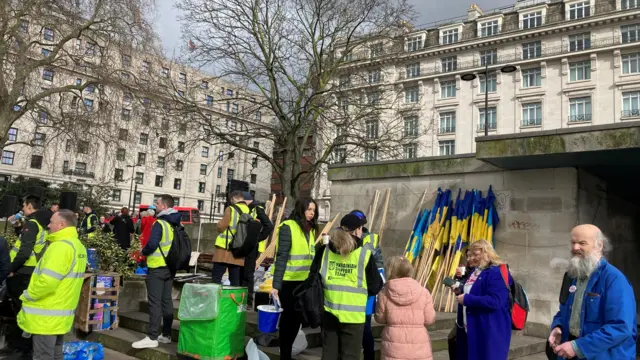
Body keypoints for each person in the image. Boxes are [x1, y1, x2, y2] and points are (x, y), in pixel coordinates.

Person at [548, 224, 637, 360]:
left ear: (599, 245)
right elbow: (564, 311)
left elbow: (621, 327)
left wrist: (578, 347)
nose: (575, 247)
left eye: (582, 243)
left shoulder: (614, 279)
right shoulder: (571, 275)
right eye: (573, 242)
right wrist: (557, 326)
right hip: (571, 351)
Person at [17, 209, 87, 360]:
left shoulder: (59, 247)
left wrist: (27, 295)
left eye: (51, 222)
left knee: (43, 356)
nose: (48, 225)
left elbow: (47, 282)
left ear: (61, 225)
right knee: (55, 354)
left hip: (45, 315)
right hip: (60, 314)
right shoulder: (77, 246)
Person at [313, 213, 382, 360]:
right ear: (357, 230)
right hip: (353, 316)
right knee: (350, 356)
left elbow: (313, 278)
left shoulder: (325, 250)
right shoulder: (364, 254)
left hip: (329, 312)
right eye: (361, 229)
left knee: (329, 356)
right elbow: (375, 286)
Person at [270, 198, 319, 360]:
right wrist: (275, 285)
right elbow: (282, 257)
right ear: (301, 209)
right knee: (288, 321)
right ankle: (285, 353)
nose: (312, 213)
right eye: (309, 209)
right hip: (289, 283)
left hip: (304, 283)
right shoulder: (288, 227)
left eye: (313, 210)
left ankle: (287, 352)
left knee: (297, 321)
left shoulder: (310, 229)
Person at [6, 196, 52, 358]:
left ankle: (21, 349)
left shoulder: (32, 224)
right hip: (31, 270)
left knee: (20, 311)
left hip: (22, 271)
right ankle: (20, 347)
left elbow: (24, 251)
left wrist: (11, 268)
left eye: (24, 206)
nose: (23, 208)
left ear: (30, 206)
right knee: (22, 310)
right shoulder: (41, 223)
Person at [133, 195, 180, 349]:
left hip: (157, 267)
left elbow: (152, 244)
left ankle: (152, 336)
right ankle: (166, 334)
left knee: (154, 302)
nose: (156, 205)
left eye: (158, 203)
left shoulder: (160, 223)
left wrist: (142, 252)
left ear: (164, 206)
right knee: (166, 300)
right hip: (169, 267)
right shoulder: (175, 223)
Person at [454, 240, 512, 360]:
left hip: (488, 330)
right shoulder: (476, 271)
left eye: (475, 254)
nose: (471, 258)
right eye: (470, 255)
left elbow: (496, 301)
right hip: (470, 328)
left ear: (486, 253)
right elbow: (474, 291)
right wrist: (460, 290)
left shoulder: (497, 272)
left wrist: (467, 299)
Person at [375, 256, 436, 360]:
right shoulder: (423, 292)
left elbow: (380, 318)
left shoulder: (384, 293)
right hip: (419, 344)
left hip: (393, 345)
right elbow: (430, 319)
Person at [348, 209, 383, 360]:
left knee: (365, 325)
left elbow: (379, 265)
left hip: (367, 289)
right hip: (351, 289)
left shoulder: (371, 239)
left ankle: (368, 355)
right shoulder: (346, 238)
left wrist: (377, 288)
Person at [241, 191, 274, 309]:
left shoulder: (257, 209)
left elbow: (269, 226)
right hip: (245, 245)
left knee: (248, 274)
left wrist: (257, 238)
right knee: (243, 273)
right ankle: (243, 299)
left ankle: (248, 301)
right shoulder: (249, 209)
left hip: (251, 247)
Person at [212, 191, 248, 286]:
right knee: (235, 279)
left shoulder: (231, 209)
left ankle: (215, 299)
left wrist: (218, 225)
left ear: (234, 199)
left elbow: (222, 225)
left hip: (225, 247)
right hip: (239, 249)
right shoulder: (249, 210)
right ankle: (233, 299)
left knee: (216, 277)